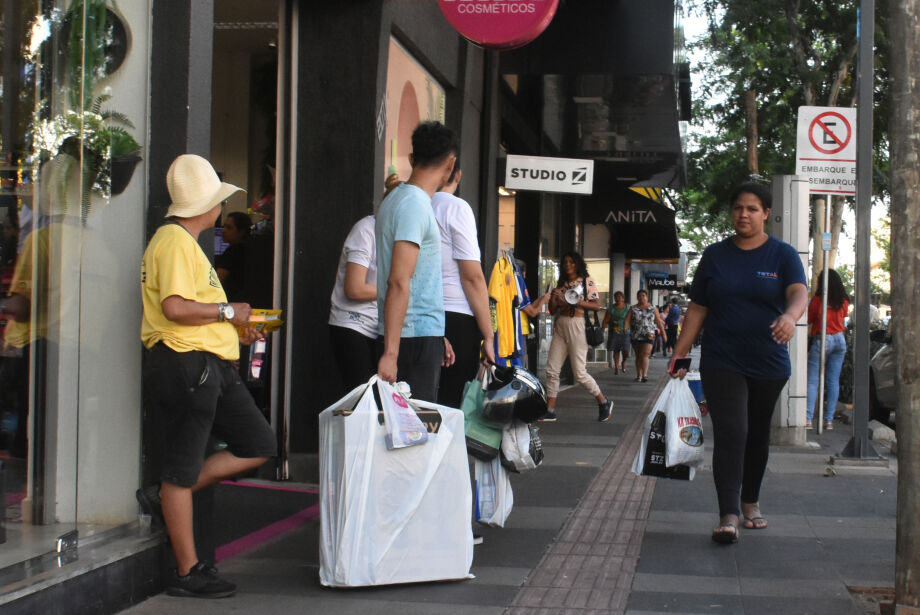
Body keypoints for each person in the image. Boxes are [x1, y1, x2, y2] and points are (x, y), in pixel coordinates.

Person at [137, 154, 277, 598]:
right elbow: (175, 308)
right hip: (188, 363)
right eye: (218, 199)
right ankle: (187, 570)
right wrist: (227, 312)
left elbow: (186, 307)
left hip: (206, 364)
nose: (221, 208)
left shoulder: (181, 242)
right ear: (209, 205)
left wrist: (232, 324)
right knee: (182, 470)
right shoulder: (176, 242)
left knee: (258, 444)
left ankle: (166, 498)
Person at [668, 181, 808, 545]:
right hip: (722, 358)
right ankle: (727, 513)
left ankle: (750, 501)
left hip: (768, 361)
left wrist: (791, 317)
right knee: (733, 432)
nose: (743, 215)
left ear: (765, 213)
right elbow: (698, 308)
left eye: (751, 209)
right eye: (737, 208)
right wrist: (679, 352)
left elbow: (798, 291)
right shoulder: (715, 256)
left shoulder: (783, 255)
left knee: (757, 434)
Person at [376, 121, 457, 401]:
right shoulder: (414, 205)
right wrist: (391, 353)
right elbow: (398, 281)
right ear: (451, 163)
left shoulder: (399, 199)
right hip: (411, 340)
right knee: (414, 434)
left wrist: (436, 334)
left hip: (418, 334)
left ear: (412, 159)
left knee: (411, 433)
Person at [431, 164, 496, 408]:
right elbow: (472, 278)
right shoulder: (456, 208)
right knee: (452, 403)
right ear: (457, 173)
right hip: (457, 315)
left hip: (417, 313)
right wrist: (488, 336)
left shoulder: (412, 205)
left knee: (421, 400)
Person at [542, 251, 614, 423]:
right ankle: (550, 410)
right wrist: (553, 297)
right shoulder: (560, 284)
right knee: (552, 370)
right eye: (565, 262)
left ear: (577, 264)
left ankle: (603, 402)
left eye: (571, 262)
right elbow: (552, 311)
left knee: (579, 373)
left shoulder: (586, 282)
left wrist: (576, 301)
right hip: (561, 324)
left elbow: (597, 306)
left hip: (578, 324)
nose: (568, 264)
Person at [328, 214, 378, 392]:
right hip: (353, 323)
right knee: (363, 397)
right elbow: (355, 289)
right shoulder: (366, 230)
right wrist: (396, 290)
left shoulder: (405, 233)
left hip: (382, 327)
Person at [805, 268, 849, 430]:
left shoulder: (818, 300)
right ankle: (828, 420)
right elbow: (843, 317)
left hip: (823, 338)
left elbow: (808, 318)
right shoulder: (843, 300)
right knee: (833, 381)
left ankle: (808, 418)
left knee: (813, 380)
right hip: (840, 339)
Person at [625, 289, 666, 382]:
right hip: (636, 334)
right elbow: (627, 320)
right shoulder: (633, 308)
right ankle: (639, 375)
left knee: (645, 354)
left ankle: (645, 375)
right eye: (639, 296)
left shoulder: (653, 308)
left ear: (647, 297)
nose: (641, 297)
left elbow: (659, 322)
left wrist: (663, 333)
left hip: (649, 334)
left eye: (643, 295)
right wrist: (625, 328)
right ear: (637, 297)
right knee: (638, 355)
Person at [214, 211, 252, 303]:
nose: (224, 231)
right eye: (224, 227)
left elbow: (217, 280)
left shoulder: (233, 252)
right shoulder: (249, 249)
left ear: (241, 232)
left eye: (229, 228)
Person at [602, 291, 630, 374]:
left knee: (626, 350)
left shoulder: (627, 308)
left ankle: (624, 361)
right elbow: (606, 320)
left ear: (623, 298)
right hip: (614, 331)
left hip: (626, 331)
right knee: (616, 349)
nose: (618, 298)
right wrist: (602, 329)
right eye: (616, 297)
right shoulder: (611, 309)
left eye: (619, 297)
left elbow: (631, 319)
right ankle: (617, 366)